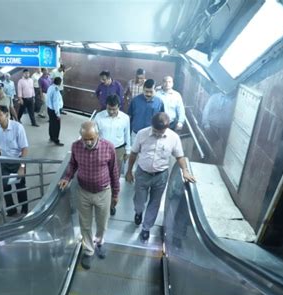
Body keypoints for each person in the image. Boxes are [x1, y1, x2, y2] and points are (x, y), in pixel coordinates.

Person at [125, 112, 195, 242]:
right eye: (156, 131)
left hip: (161, 176)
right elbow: (134, 153)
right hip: (142, 173)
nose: (158, 134)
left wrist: (185, 170)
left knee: (155, 203)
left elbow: (179, 156)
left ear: (166, 128)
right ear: (152, 126)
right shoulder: (142, 134)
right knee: (140, 200)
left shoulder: (173, 138)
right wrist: (129, 171)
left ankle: (146, 228)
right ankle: (138, 212)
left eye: (161, 132)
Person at [58, 121, 119, 270]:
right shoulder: (76, 146)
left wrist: (115, 193)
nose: (88, 142)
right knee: (85, 224)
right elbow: (72, 164)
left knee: (102, 223)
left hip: (103, 192)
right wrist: (67, 178)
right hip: (83, 192)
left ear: (97, 135)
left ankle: (100, 242)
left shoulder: (109, 147)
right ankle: (89, 250)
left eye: (91, 138)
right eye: (85, 139)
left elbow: (114, 172)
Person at [94, 95, 130, 215]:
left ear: (119, 107)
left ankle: (111, 204)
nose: (111, 111)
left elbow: (127, 135)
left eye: (114, 109)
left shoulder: (125, 118)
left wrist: (127, 151)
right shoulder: (99, 117)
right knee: (101, 176)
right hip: (102, 150)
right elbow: (94, 135)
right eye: (109, 109)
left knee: (115, 178)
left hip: (118, 150)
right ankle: (100, 203)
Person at [0, 105, 29, 216]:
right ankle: (11, 209)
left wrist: (22, 167)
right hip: (4, 162)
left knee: (20, 187)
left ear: (7, 115)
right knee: (5, 187)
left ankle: (24, 208)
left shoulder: (18, 128)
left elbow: (25, 148)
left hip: (17, 161)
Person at [128, 79, 164, 145]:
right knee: (134, 154)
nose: (148, 94)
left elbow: (161, 119)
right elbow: (130, 117)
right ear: (143, 89)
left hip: (152, 135)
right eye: (146, 91)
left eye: (151, 92)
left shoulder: (159, 102)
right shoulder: (135, 100)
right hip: (136, 134)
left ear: (155, 90)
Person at [46, 77, 64, 146]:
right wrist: (58, 114)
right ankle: (56, 140)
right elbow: (55, 103)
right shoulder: (56, 90)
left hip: (49, 109)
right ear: (59, 83)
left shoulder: (50, 87)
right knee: (56, 126)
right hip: (54, 110)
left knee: (51, 124)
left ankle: (51, 137)